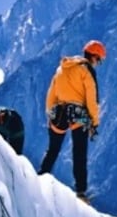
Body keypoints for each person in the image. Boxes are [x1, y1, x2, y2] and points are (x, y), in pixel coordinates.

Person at [37, 40, 105, 203]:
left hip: (58, 112)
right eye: (99, 60)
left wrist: (50, 113)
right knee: (79, 153)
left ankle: (40, 177)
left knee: (53, 149)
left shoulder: (61, 68)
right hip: (78, 114)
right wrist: (94, 122)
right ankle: (81, 192)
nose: (98, 63)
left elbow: (51, 93)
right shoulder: (86, 70)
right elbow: (91, 99)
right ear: (94, 57)